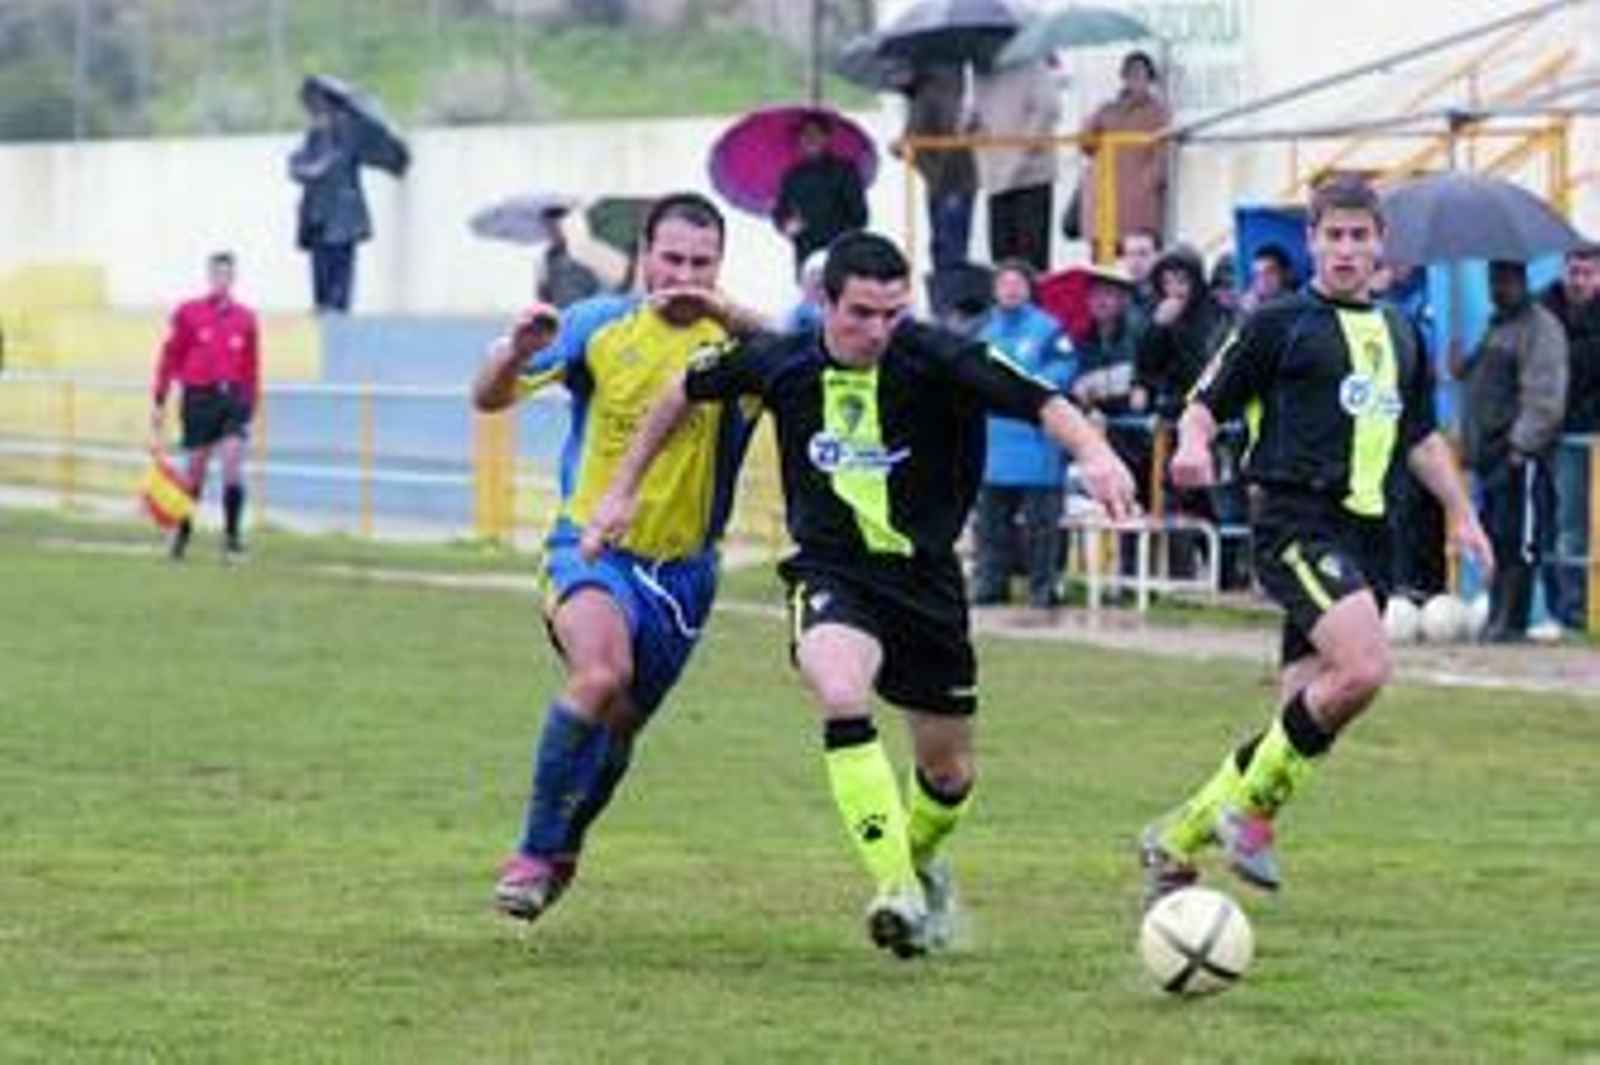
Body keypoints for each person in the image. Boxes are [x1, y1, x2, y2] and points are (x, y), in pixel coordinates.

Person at [585, 231, 1138, 958]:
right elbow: (680, 390)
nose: (878, 329)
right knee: (842, 690)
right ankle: (896, 888)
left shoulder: (939, 356)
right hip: (832, 572)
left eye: (892, 312)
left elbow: (1043, 399)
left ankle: (920, 862)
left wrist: (1096, 454)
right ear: (826, 303)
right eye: (861, 313)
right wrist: (620, 491)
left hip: (927, 584)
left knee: (947, 773)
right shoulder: (781, 361)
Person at [1140, 174, 1493, 908]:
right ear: (1312, 242)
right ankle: (1253, 817)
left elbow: (1419, 434)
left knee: (1308, 713)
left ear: (1380, 246)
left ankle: (1176, 838)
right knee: (1364, 668)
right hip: (1297, 520)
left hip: (1371, 534)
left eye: (1360, 236)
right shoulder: (1279, 321)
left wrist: (1461, 511)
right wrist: (1193, 446)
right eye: (1333, 235)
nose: (1346, 249)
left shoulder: (1402, 332)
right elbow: (1207, 399)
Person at [471, 192, 765, 924]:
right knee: (602, 673)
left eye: (702, 262)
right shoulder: (599, 326)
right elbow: (487, 398)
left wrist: (737, 317)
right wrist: (514, 350)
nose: (684, 275)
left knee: (621, 727)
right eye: (671, 258)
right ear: (644, 255)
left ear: (720, 266)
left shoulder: (740, 347)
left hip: (686, 573)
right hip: (591, 548)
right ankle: (532, 852)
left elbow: (811, 351)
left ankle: (566, 840)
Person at [1457, 260, 1568, 642]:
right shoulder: (1496, 325)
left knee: (1519, 539)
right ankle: (1498, 615)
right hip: (1490, 455)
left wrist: (1521, 445)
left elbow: (1546, 396)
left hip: (1520, 454)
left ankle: (1512, 619)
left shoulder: (1541, 328)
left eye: (1504, 280)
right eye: (1493, 280)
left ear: (1521, 280)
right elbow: (1483, 384)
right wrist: (1461, 367)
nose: (1497, 288)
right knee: (1495, 537)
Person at [973, 261, 1075, 608]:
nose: (1011, 289)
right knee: (990, 527)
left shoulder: (1048, 328)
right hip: (993, 446)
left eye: (1017, 283)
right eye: (1004, 283)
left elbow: (1064, 371)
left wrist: (1023, 389)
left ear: (1030, 287)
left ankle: (1043, 589)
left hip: (1037, 445)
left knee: (1041, 527)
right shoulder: (983, 329)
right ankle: (990, 585)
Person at [149, 251, 261, 563]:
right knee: (194, 473)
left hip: (233, 401)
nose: (221, 280)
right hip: (198, 400)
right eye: (217, 274)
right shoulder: (189, 313)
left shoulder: (246, 318)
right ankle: (182, 533)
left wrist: (250, 404)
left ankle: (232, 539)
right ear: (209, 277)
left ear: (233, 278)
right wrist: (160, 398)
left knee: (232, 464)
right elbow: (170, 357)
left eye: (227, 274)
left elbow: (252, 367)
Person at [1541, 242, 1600, 631]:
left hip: (1587, 431)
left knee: (1573, 525)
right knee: (1565, 525)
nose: (1579, 281)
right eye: (1573, 271)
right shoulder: (1544, 311)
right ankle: (1571, 612)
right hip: (1558, 435)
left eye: (1588, 273)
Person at [1078, 51, 1171, 259]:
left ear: (1150, 79)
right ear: (1123, 78)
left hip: (1140, 207)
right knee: (1102, 268)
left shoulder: (1158, 112)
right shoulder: (1108, 108)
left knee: (1137, 262)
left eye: (1141, 75)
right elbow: (1085, 146)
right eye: (1130, 75)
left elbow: (1163, 156)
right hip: (1104, 202)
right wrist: (1091, 120)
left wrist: (1147, 184)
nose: (1136, 80)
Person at [289, 78, 371, 313]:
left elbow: (338, 162)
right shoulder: (312, 137)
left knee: (340, 287)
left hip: (343, 223)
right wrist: (311, 168)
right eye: (312, 107)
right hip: (318, 221)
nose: (315, 112)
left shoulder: (348, 136)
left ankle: (337, 317)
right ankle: (323, 311)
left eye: (320, 105)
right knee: (321, 287)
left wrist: (318, 166)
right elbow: (296, 166)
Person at [972, 58, 1061, 272]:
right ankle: (1006, 302)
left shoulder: (1032, 65)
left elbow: (1049, 107)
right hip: (996, 176)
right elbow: (977, 117)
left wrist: (1024, 150)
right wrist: (970, 123)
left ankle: (1035, 302)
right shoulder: (980, 72)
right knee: (1001, 255)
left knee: (1032, 256)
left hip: (1031, 174)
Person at [890, 63, 979, 275]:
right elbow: (916, 140)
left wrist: (908, 149)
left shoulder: (935, 92)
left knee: (950, 248)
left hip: (953, 181)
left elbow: (947, 137)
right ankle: (946, 299)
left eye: (897, 74)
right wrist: (902, 147)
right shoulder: (920, 97)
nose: (893, 81)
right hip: (940, 184)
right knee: (942, 245)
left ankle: (950, 302)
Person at [774, 113, 869, 276]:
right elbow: (780, 213)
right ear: (798, 140)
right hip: (806, 256)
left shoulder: (845, 170)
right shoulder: (792, 176)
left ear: (827, 137)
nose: (810, 139)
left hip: (841, 255)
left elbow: (860, 217)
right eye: (804, 135)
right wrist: (786, 225)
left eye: (816, 134)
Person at [537, 206, 604, 309]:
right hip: (561, 316)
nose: (551, 232)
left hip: (584, 312)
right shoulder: (548, 257)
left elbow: (597, 286)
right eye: (548, 227)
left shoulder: (583, 251)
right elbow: (544, 295)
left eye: (555, 227)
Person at [1244, 242, 1298, 312]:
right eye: (1258, 274)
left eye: (1269, 272)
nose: (1263, 280)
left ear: (1287, 274)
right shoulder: (1252, 305)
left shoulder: (1298, 306)